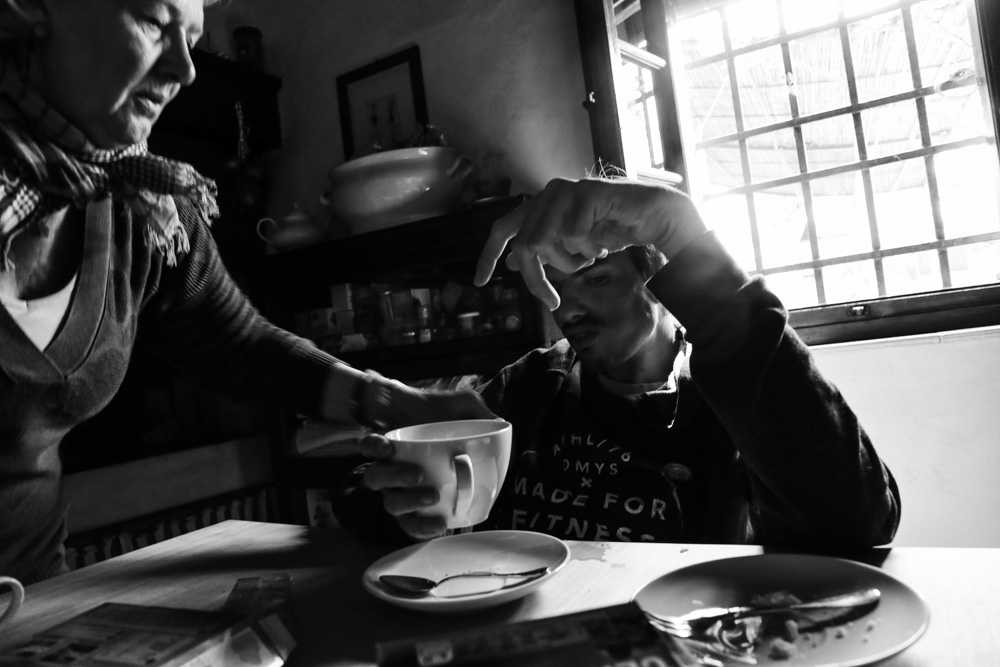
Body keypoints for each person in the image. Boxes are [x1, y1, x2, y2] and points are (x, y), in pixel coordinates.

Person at [0, 0, 490, 585]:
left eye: (192, 39)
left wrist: (399, 404)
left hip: (33, 593)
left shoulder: (143, 204)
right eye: (154, 22)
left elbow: (240, 346)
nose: (185, 69)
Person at [334, 177, 901, 551]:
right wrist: (403, 503)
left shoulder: (732, 393)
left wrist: (682, 230)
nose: (566, 310)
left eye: (597, 279)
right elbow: (367, 500)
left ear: (662, 282)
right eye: (555, 288)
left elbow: (856, 523)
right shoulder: (533, 386)